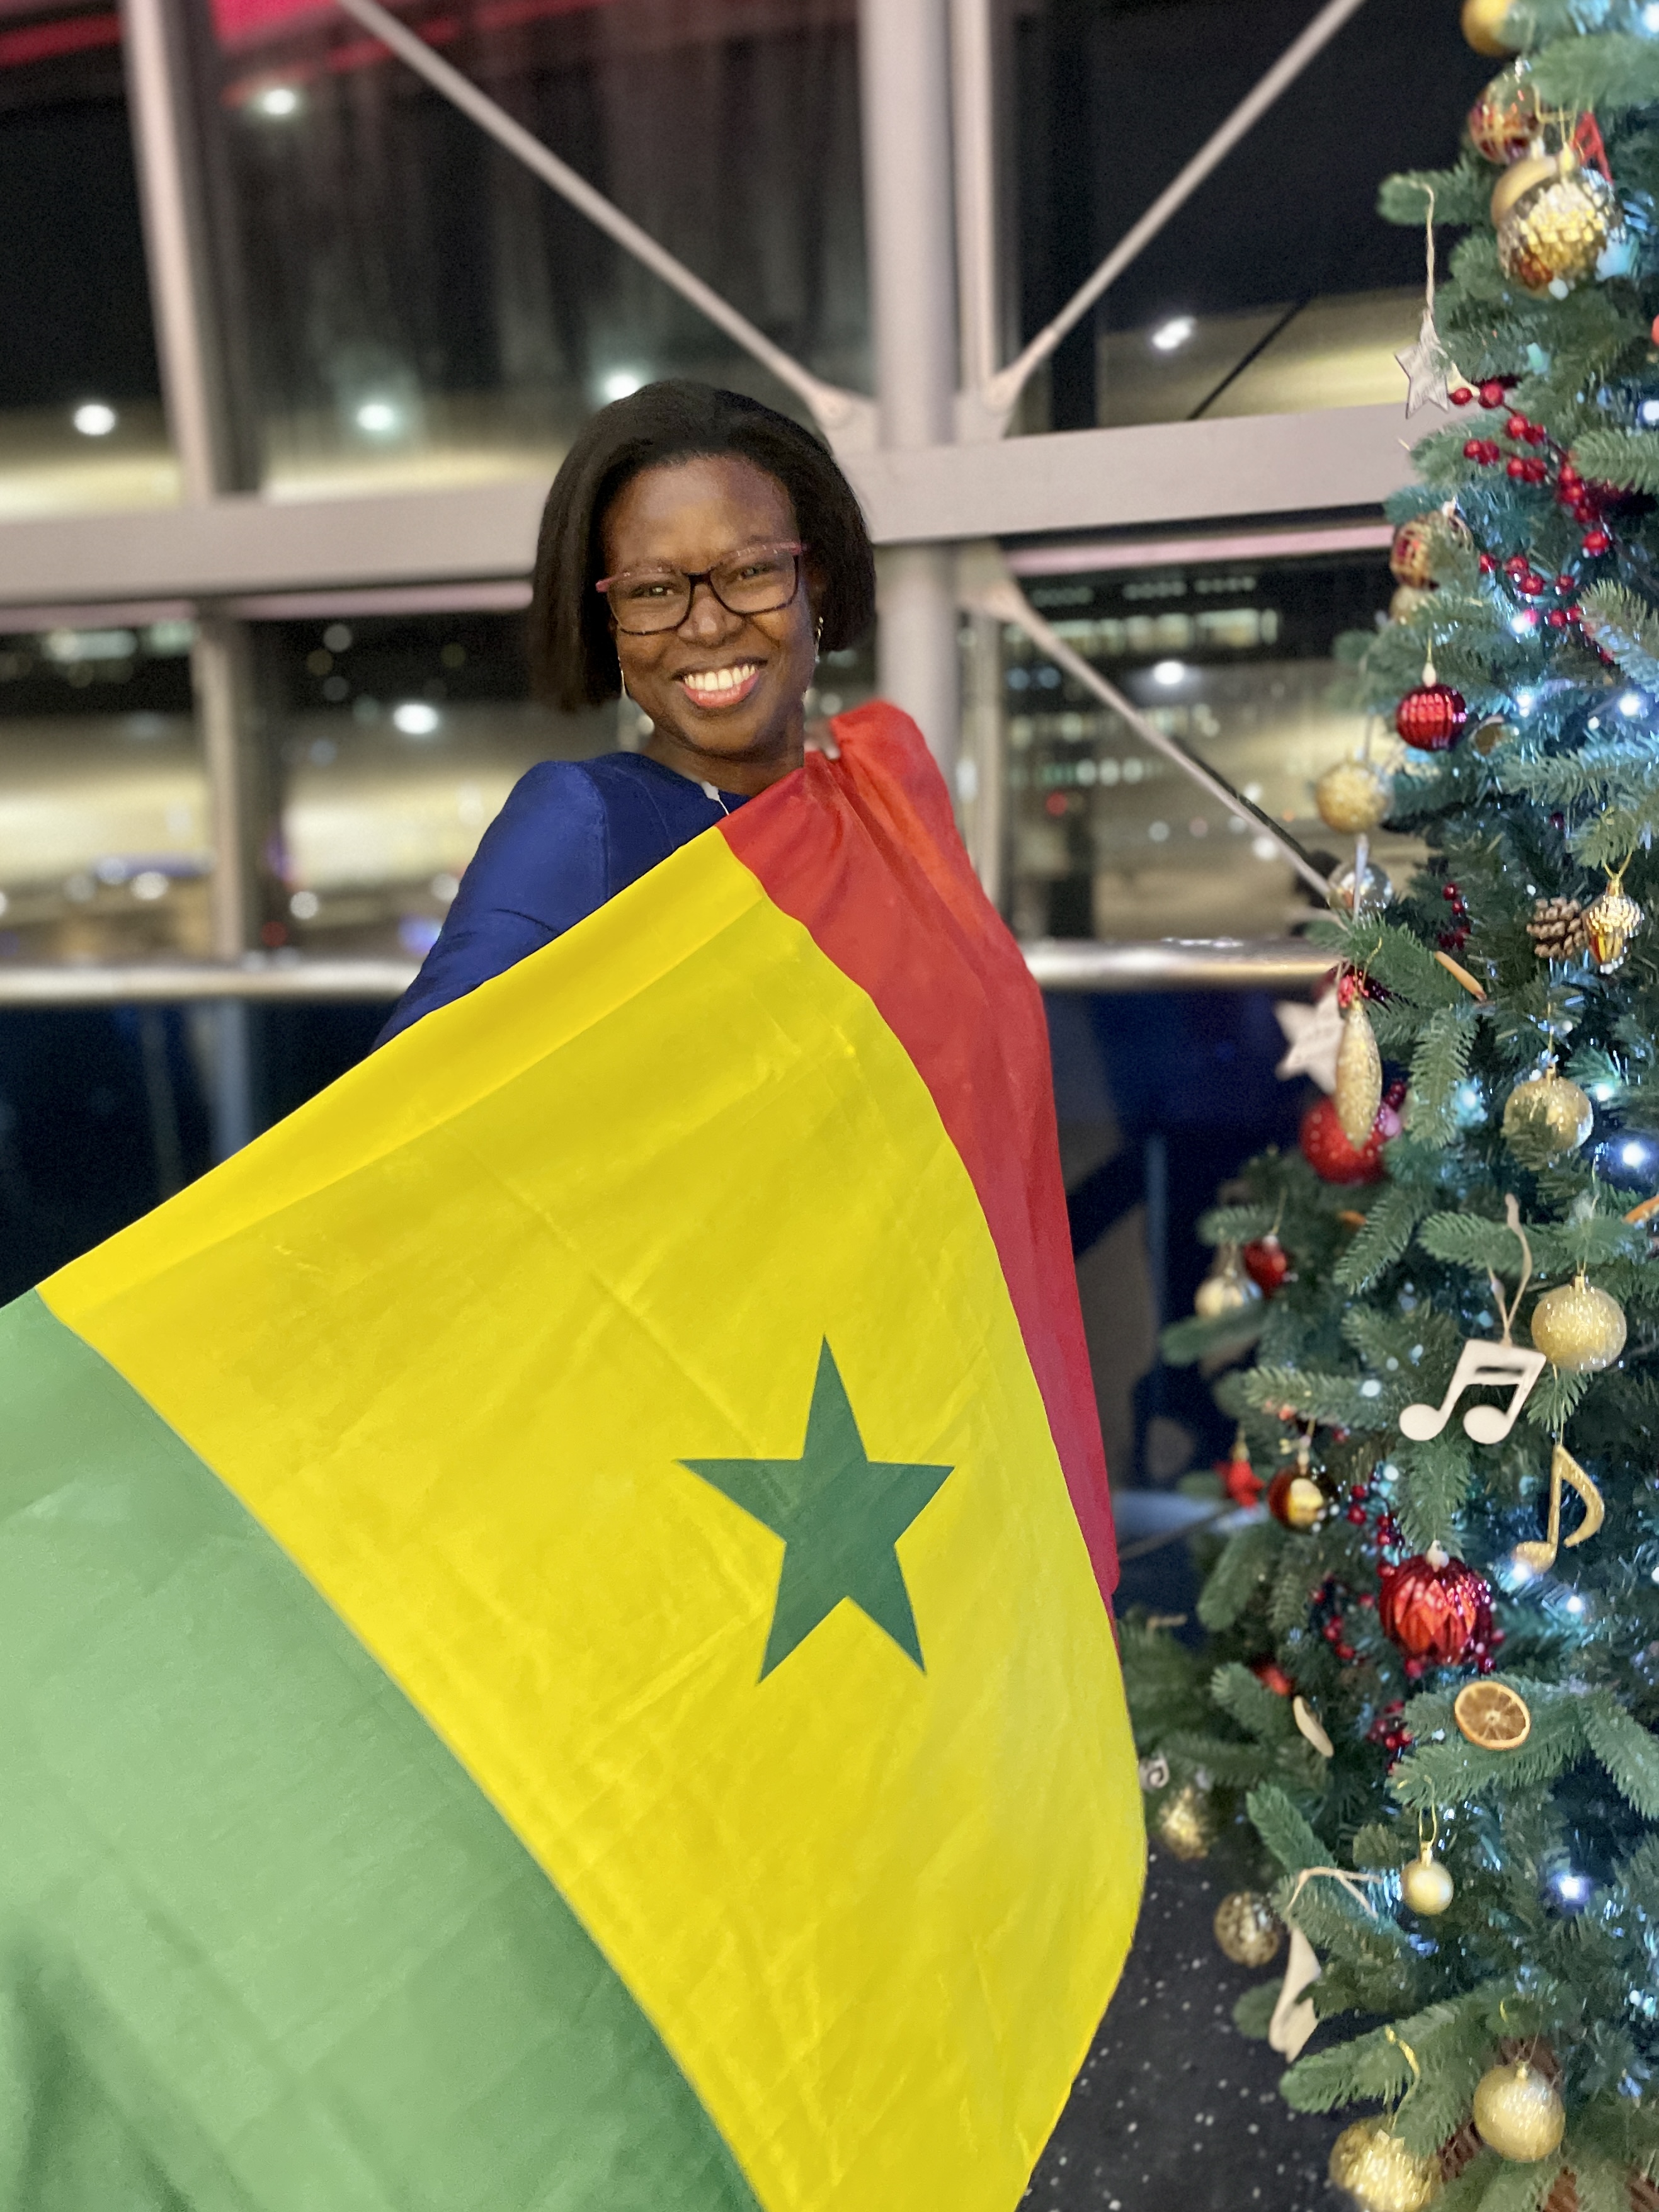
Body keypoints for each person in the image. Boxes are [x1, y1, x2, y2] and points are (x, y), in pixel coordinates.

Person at [379, 379, 876, 1044]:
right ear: (606, 623)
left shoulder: (870, 810)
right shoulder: (584, 825)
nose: (707, 625)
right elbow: (415, 1109)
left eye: (751, 572)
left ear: (815, 579)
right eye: (653, 589)